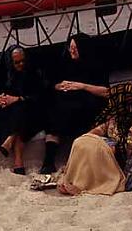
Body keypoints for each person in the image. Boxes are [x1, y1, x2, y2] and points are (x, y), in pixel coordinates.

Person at [54, 83, 132, 195]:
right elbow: (102, 128)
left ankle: (84, 188)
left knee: (95, 151)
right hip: (116, 150)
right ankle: (76, 180)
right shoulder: (121, 114)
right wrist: (86, 139)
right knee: (81, 143)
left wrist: (99, 149)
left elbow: (130, 147)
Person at [39, 33, 109, 174]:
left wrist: (81, 86)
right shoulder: (65, 62)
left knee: (79, 109)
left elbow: (106, 91)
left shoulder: (96, 65)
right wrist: (59, 86)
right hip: (67, 102)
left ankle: (77, 159)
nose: (72, 51)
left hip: (89, 102)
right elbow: (53, 82)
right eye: (70, 48)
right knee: (53, 110)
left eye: (75, 48)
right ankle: (49, 161)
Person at [0, 46, 48, 175]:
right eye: (17, 62)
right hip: (10, 113)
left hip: (31, 111)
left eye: (23, 61)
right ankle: (17, 160)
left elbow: (39, 95)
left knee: (21, 110)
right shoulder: (3, 74)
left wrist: (18, 98)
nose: (21, 64)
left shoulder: (32, 73)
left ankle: (13, 148)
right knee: (18, 116)